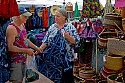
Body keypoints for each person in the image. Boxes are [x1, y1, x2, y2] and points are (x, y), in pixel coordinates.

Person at [39, 8, 80, 83]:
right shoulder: (52, 27)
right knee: (54, 79)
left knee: (67, 79)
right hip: (53, 59)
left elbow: (76, 41)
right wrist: (39, 49)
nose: (55, 18)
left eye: (58, 16)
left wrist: (67, 36)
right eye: (55, 16)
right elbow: (46, 41)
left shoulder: (70, 27)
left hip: (66, 59)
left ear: (64, 17)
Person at [6, 7, 41, 83]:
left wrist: (36, 47)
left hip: (23, 59)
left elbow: (25, 40)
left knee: (21, 80)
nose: (27, 18)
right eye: (25, 16)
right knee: (17, 80)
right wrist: (26, 50)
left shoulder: (22, 25)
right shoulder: (11, 28)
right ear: (18, 16)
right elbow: (10, 47)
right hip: (15, 61)